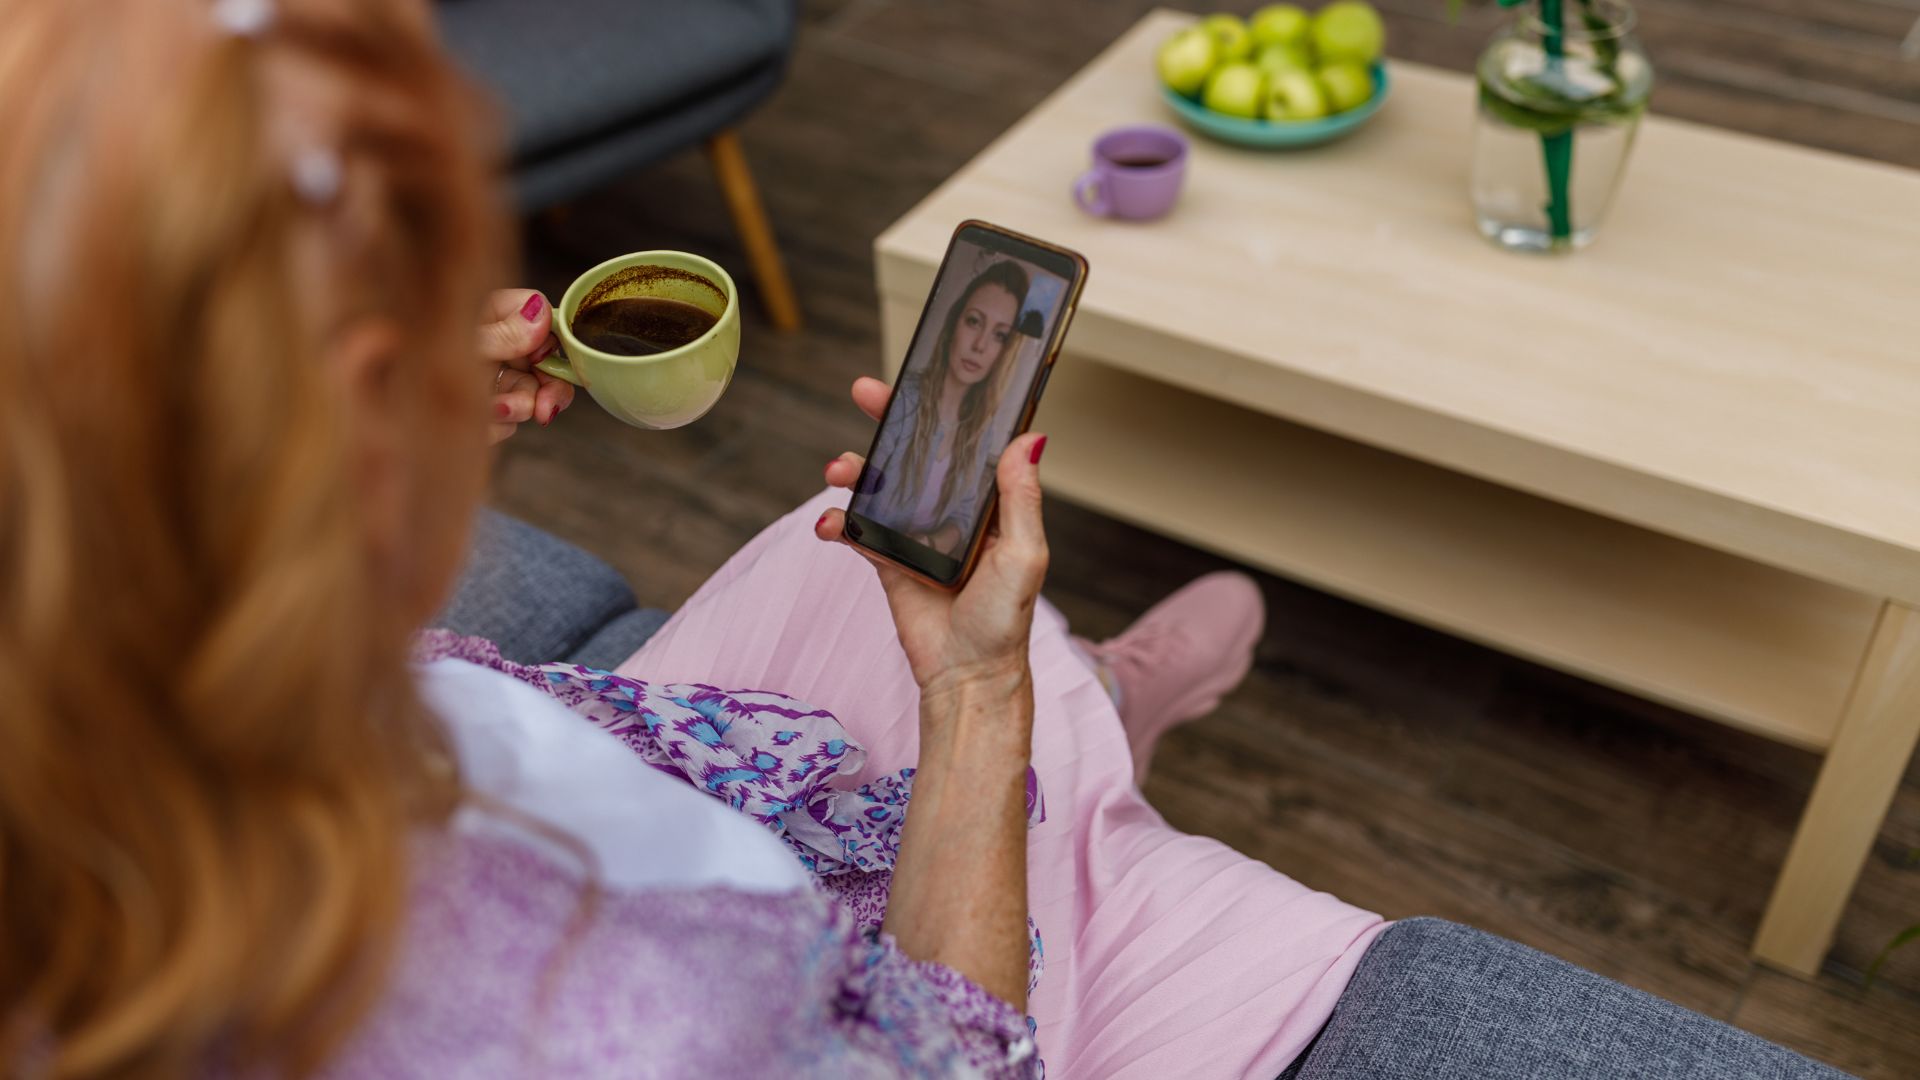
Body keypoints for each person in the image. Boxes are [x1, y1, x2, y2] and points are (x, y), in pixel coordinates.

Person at [0, 1, 1853, 1078]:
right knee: (982, 637)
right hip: (880, 986)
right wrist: (975, 705)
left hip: (669, 779)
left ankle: (1085, 707)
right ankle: (1083, 722)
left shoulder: (97, 664)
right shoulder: (562, 1019)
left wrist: (309, 452)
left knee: (843, 532)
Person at [860, 260, 1031, 556]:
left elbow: (963, 518)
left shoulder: (981, 428)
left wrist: (928, 545)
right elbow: (862, 501)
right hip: (866, 556)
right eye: (975, 321)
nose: (980, 345)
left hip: (923, 571)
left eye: (999, 335)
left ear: (1003, 352)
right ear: (954, 324)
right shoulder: (907, 401)